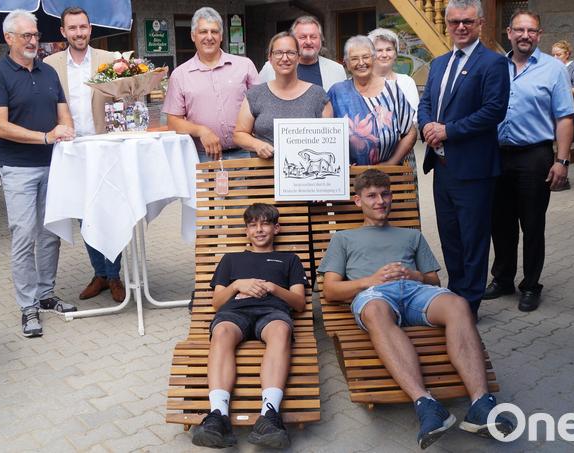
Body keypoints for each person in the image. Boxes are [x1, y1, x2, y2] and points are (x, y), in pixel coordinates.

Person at [317, 169, 514, 449]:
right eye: (371, 196)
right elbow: (331, 290)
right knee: (374, 312)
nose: (380, 201)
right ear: (358, 201)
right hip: (374, 294)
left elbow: (434, 280)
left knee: (459, 304)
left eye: (385, 194)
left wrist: (415, 276)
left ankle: (481, 405)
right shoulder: (343, 239)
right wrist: (369, 281)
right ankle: (426, 404)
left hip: (416, 291)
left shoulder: (412, 236)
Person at [0, 9, 77, 337]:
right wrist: (47, 137)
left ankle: (46, 294)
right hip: (18, 168)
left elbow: (64, 115)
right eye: (27, 36)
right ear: (9, 38)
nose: (34, 41)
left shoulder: (49, 72)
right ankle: (27, 306)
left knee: (50, 233)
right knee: (24, 235)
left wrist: (65, 130)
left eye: (36, 35)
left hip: (54, 166)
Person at [417, 0, 510, 318]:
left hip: (473, 170)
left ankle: (468, 306)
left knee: (473, 240)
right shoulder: (439, 62)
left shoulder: (493, 63)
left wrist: (448, 131)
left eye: (467, 21)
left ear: (480, 23)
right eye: (454, 21)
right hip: (442, 168)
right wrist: (427, 124)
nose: (460, 27)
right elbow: (426, 100)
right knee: (451, 237)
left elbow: (493, 111)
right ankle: (455, 296)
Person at [191, 203, 307, 449]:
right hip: (236, 313)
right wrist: (237, 285)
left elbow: (299, 303)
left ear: (276, 228)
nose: (259, 229)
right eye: (253, 225)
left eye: (265, 223)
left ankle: (269, 416)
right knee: (221, 331)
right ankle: (218, 416)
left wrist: (273, 288)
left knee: (281, 330)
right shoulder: (231, 260)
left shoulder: (290, 260)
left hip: (272, 312)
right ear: (246, 231)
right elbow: (216, 303)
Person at [484, 9, 574, 312]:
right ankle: (503, 278)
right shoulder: (496, 66)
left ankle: (531, 285)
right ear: (508, 33)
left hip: (534, 155)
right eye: (519, 30)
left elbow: (564, 117)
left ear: (539, 35)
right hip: (497, 155)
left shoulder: (554, 70)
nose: (525, 35)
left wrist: (562, 161)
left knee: (533, 223)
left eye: (531, 31)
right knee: (501, 222)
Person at [43, 7, 125, 304]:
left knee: (110, 211)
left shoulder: (109, 60)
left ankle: (114, 274)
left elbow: (124, 97)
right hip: (71, 151)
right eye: (72, 28)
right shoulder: (50, 64)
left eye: (83, 27)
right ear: (63, 32)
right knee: (83, 214)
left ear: (91, 29)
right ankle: (100, 273)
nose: (79, 33)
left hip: (105, 147)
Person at [163, 7, 258, 162]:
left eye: (214, 32)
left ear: (221, 36)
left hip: (245, 155)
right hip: (203, 158)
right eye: (203, 32)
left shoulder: (244, 65)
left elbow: (261, 106)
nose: (209, 37)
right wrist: (201, 131)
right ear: (193, 36)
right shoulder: (180, 75)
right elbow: (173, 123)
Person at [233, 32, 332, 159]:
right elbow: (239, 134)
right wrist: (256, 144)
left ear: (298, 57)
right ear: (270, 58)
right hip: (264, 174)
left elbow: (329, 140)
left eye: (290, 52)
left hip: (306, 174)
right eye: (278, 53)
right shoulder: (255, 94)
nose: (285, 58)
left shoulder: (318, 96)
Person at [328, 35, 416, 165]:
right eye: (354, 59)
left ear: (374, 59)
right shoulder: (337, 92)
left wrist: (391, 163)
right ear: (346, 63)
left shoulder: (392, 91)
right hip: (351, 177)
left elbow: (410, 132)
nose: (361, 63)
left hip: (388, 175)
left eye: (365, 57)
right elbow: (325, 135)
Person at [258, 16, 347, 91]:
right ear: (293, 40)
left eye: (313, 37)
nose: (308, 42)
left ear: (321, 40)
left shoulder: (336, 70)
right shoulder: (270, 68)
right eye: (303, 37)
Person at [551, 39, 574, 191]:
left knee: (563, 146)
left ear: (567, 54)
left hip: (571, 111)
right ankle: (550, 175)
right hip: (553, 111)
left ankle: (562, 179)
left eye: (558, 54)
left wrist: (562, 89)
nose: (555, 58)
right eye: (552, 55)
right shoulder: (552, 67)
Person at [367, 28, 420, 112]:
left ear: (395, 54)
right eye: (379, 50)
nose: (384, 55)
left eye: (389, 49)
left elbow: (414, 117)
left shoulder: (406, 82)